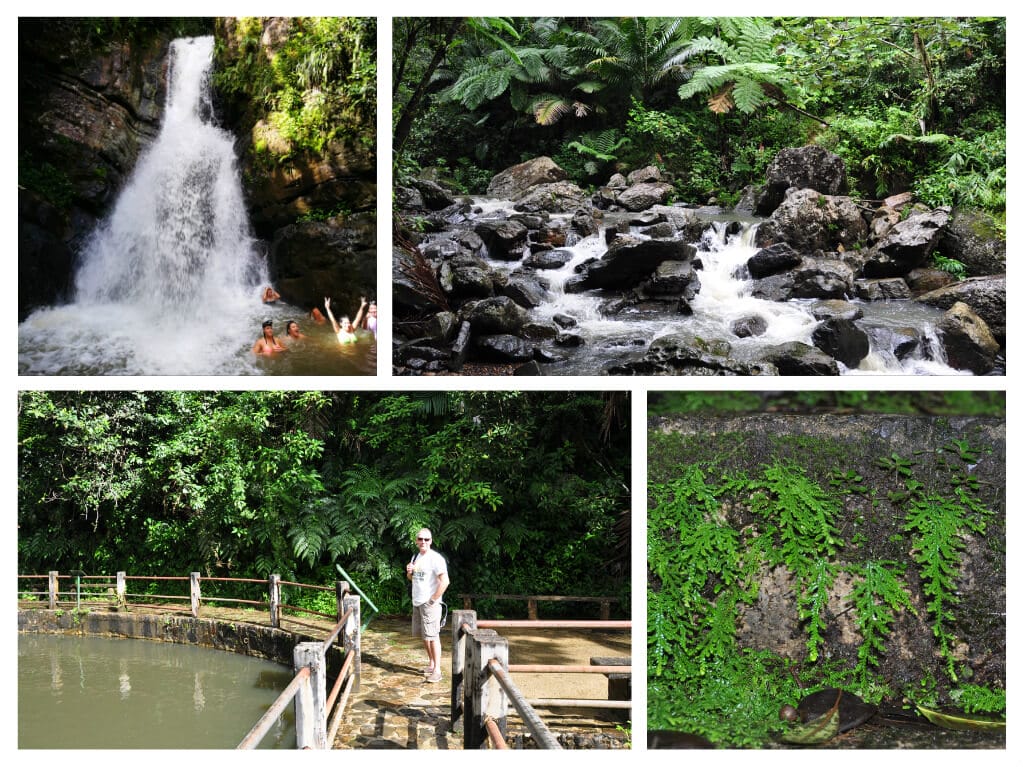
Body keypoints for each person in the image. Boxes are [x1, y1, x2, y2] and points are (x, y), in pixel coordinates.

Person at [406, 528, 448, 683]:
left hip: (430, 603)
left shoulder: (436, 559)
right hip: (417, 601)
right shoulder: (415, 556)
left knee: (433, 636)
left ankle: (437, 670)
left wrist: (433, 600)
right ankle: (431, 664)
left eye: (427, 539)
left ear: (431, 541)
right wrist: (409, 572)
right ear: (416, 540)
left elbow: (445, 581)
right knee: (424, 636)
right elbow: (412, 579)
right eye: (420, 539)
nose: (423, 542)